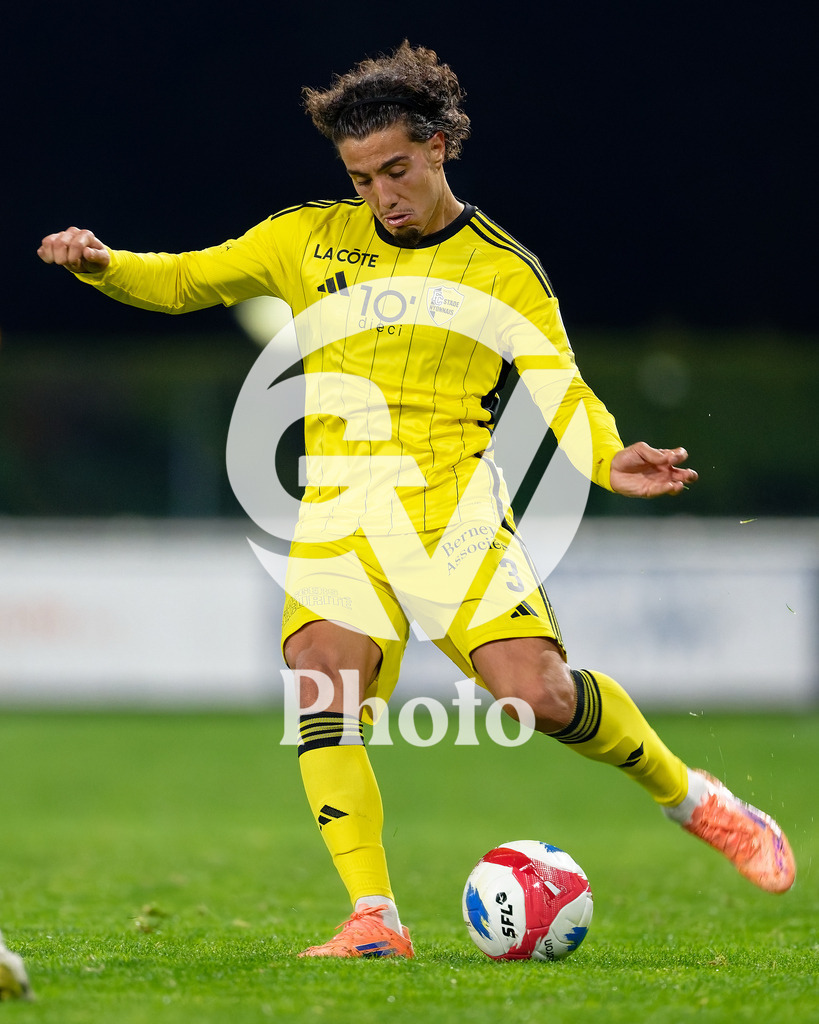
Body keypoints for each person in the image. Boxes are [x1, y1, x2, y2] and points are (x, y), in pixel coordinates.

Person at [38, 41, 795, 960]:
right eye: (360, 178)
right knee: (321, 676)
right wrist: (103, 263)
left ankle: (694, 799)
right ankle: (374, 917)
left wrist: (606, 459)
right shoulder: (305, 237)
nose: (380, 195)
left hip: (453, 513)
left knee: (539, 697)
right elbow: (187, 279)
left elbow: (559, 386)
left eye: (394, 169)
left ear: (438, 146)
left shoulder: (502, 270)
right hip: (339, 513)